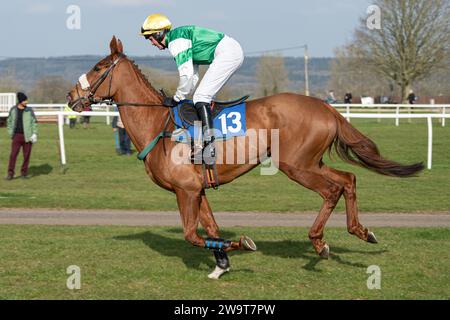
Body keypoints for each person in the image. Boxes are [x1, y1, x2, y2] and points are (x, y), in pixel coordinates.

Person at [139, 14, 244, 162]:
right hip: (229, 51)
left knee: (201, 97)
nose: (151, 43)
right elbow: (193, 76)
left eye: (150, 38)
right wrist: (182, 95)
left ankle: (209, 148)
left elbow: (186, 75)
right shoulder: (178, 39)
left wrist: (176, 98)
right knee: (200, 96)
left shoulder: (177, 41)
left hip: (228, 53)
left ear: (158, 33)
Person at [6, 92, 38, 180]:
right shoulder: (13, 110)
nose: (27, 102)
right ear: (20, 101)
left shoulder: (29, 110)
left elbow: (34, 122)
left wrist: (34, 133)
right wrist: (10, 132)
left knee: (26, 155)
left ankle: (23, 173)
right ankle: (10, 173)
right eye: (25, 100)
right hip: (16, 136)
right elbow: (9, 121)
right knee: (13, 155)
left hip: (28, 137)